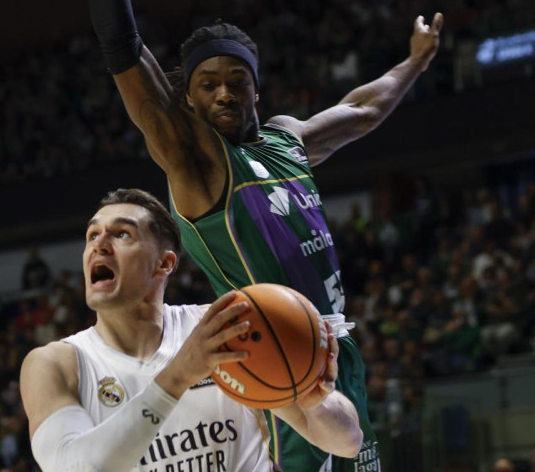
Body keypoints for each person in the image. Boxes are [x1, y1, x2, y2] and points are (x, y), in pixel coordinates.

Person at [84, 0, 442, 468]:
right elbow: (122, 47)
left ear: (258, 87)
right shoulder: (197, 166)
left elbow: (363, 110)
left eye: (237, 81)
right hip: (278, 353)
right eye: (208, 85)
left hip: (339, 345)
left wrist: (415, 61)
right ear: (188, 100)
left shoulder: (286, 138)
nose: (225, 94)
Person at [20, 188, 361, 471]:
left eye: (122, 233)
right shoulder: (56, 364)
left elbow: (347, 443)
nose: (100, 244)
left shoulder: (222, 328)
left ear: (164, 263)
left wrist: (316, 403)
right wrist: (179, 374)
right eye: (92, 234)